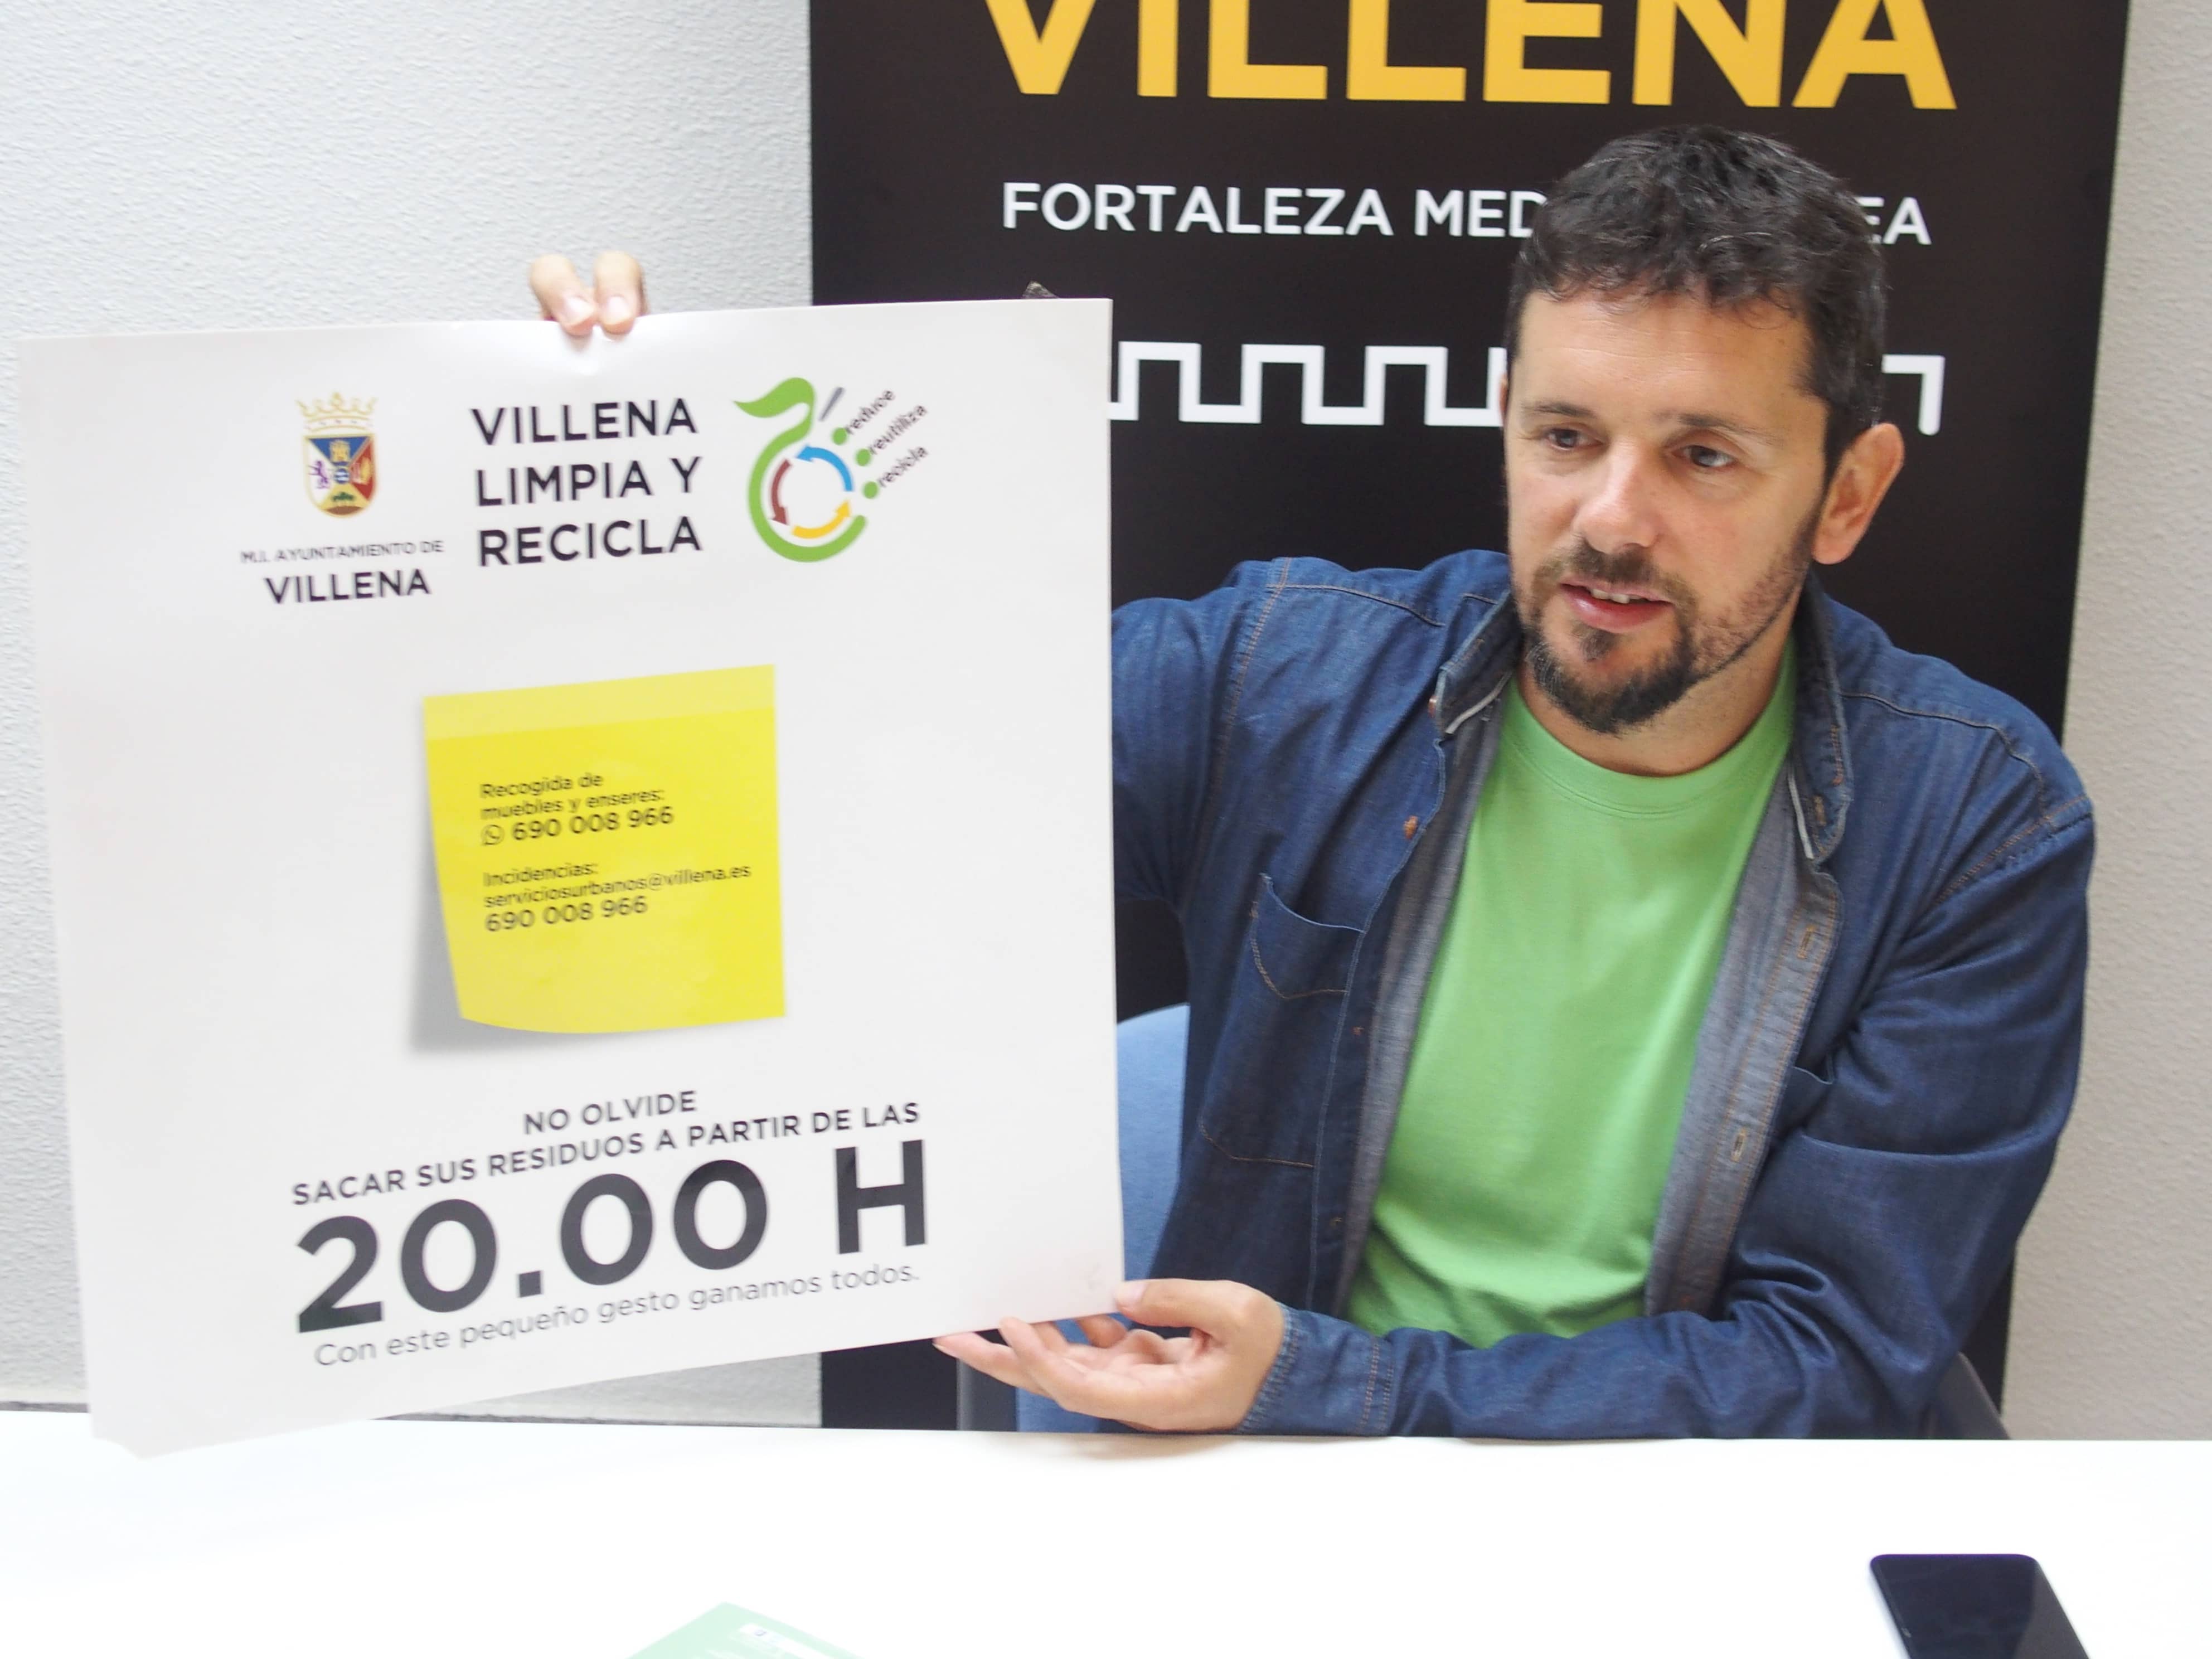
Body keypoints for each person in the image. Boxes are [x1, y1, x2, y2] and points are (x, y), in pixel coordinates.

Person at [536, 128, 2092, 1438]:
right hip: (1277, 1501)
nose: (1611, 520)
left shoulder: (1975, 824)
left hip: (1674, 1519)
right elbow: (857, 775)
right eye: (1566, 436)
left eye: (1704, 457)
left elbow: (1826, 1367)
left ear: (1849, 493)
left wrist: (1343, 1386)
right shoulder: (1284, 676)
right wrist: (632, 490)